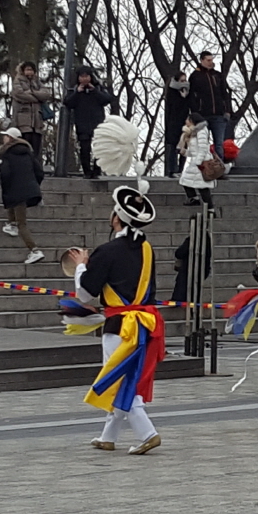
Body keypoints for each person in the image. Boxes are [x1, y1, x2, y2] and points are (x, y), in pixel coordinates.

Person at [69, 184, 165, 455]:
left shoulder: (107, 251)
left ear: (117, 218)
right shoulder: (147, 249)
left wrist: (81, 266)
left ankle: (147, 432)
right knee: (124, 377)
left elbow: (86, 294)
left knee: (119, 380)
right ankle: (108, 435)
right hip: (144, 324)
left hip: (120, 325)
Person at [0, 126, 45, 265]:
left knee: (22, 224)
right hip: (29, 189)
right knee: (17, 211)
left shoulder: (6, 154)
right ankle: (11, 224)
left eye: (5, 136)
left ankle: (35, 250)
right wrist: (34, 186)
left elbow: (5, 175)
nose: (3, 138)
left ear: (10, 138)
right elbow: (39, 172)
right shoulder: (29, 153)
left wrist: (6, 191)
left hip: (15, 191)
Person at [62, 66, 116, 178]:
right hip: (82, 122)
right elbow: (68, 102)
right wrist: (77, 92)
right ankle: (86, 171)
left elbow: (107, 99)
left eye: (87, 76)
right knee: (85, 147)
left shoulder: (98, 88)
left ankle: (97, 170)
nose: (85, 78)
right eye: (82, 76)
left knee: (99, 147)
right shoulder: (74, 89)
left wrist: (94, 90)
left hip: (98, 122)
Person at [188, 51, 232, 155]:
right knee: (203, 144)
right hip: (202, 115)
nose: (210, 62)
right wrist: (195, 113)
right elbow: (191, 96)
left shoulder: (217, 75)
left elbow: (224, 93)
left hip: (219, 115)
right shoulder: (195, 76)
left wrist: (227, 110)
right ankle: (205, 168)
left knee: (219, 143)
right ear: (202, 60)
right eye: (208, 60)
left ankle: (219, 167)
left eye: (211, 60)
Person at [9, 61, 51, 156]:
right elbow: (19, 94)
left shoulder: (37, 82)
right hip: (23, 121)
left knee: (36, 150)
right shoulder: (17, 81)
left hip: (37, 122)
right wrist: (37, 97)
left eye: (31, 70)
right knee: (25, 147)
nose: (30, 72)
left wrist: (32, 92)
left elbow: (46, 94)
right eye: (27, 69)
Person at [177, 112, 218, 207]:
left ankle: (209, 208)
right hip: (196, 162)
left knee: (203, 186)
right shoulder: (194, 132)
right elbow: (194, 150)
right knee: (186, 180)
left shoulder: (201, 131)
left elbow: (203, 148)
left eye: (187, 119)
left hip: (202, 162)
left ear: (192, 121)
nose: (185, 121)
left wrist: (198, 162)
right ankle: (194, 198)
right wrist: (184, 152)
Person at [164, 70, 191, 176]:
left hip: (186, 122)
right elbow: (173, 107)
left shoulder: (189, 91)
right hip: (174, 123)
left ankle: (181, 169)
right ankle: (173, 169)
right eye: (181, 81)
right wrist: (182, 98)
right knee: (174, 146)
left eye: (185, 80)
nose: (184, 83)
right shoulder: (172, 92)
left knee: (184, 146)